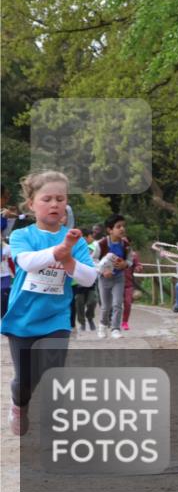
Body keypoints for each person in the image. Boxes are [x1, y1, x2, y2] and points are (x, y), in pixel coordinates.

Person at [1, 170, 97, 434]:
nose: (54, 204)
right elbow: (26, 262)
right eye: (47, 199)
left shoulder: (75, 240)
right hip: (22, 318)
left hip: (56, 317)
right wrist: (58, 251)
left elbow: (89, 278)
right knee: (25, 381)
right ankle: (19, 404)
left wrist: (68, 259)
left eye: (60, 199)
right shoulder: (22, 236)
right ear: (31, 204)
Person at [96, 214, 131, 339]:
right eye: (118, 226)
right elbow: (92, 260)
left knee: (117, 304)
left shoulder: (125, 244)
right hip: (104, 279)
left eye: (123, 226)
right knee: (106, 306)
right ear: (110, 230)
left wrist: (125, 264)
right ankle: (102, 326)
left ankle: (115, 329)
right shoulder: (101, 244)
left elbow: (130, 260)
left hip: (119, 277)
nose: (122, 229)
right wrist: (103, 271)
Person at [70, 228, 99, 333]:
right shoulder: (75, 246)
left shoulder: (93, 247)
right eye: (91, 236)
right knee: (79, 303)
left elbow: (93, 255)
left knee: (92, 301)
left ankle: (90, 317)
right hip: (77, 282)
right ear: (85, 237)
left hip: (90, 281)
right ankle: (82, 323)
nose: (92, 238)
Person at [122, 250, 143, 330]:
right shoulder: (114, 253)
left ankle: (125, 322)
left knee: (128, 303)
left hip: (128, 284)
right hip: (115, 284)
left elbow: (138, 265)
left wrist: (139, 268)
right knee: (116, 305)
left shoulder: (132, 255)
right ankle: (113, 319)